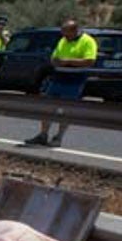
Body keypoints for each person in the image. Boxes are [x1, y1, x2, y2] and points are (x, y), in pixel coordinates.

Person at [25, 18, 97, 146]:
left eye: (66, 32)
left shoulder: (88, 41)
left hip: (74, 81)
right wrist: (56, 61)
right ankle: (43, 135)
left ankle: (58, 137)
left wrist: (68, 61)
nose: (64, 35)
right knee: (48, 107)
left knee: (66, 110)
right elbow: (54, 57)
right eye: (63, 32)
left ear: (74, 31)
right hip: (58, 78)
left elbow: (90, 61)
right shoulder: (63, 40)